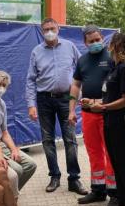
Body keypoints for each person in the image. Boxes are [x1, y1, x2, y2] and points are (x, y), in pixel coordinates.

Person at [26, 17, 88, 195]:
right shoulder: (36, 52)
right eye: (45, 29)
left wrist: (82, 92)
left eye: (52, 28)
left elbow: (82, 68)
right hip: (44, 99)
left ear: (58, 28)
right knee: (47, 140)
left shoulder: (69, 46)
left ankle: (74, 179)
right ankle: (54, 176)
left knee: (70, 139)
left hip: (66, 99)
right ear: (41, 31)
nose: (49, 32)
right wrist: (31, 105)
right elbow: (30, 79)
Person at [91, 33, 125, 206]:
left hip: (120, 123)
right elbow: (110, 95)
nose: (108, 47)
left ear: (117, 46)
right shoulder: (115, 69)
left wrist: (102, 107)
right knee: (117, 166)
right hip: (110, 122)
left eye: (110, 44)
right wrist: (95, 102)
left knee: (124, 168)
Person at [69, 25, 118, 206]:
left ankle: (114, 193)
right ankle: (98, 190)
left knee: (110, 153)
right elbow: (75, 85)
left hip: (108, 114)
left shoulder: (112, 57)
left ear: (103, 38)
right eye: (91, 41)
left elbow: (118, 85)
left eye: (98, 39)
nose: (96, 43)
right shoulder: (82, 60)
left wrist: (102, 102)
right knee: (93, 152)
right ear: (85, 43)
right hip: (88, 114)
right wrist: (71, 110)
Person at [0, 70, 37, 190]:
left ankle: (8, 198)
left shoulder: (2, 104)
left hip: (0, 143)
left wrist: (14, 149)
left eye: (4, 85)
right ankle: (4, 200)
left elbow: (4, 132)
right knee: (17, 170)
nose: (1, 88)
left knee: (30, 165)